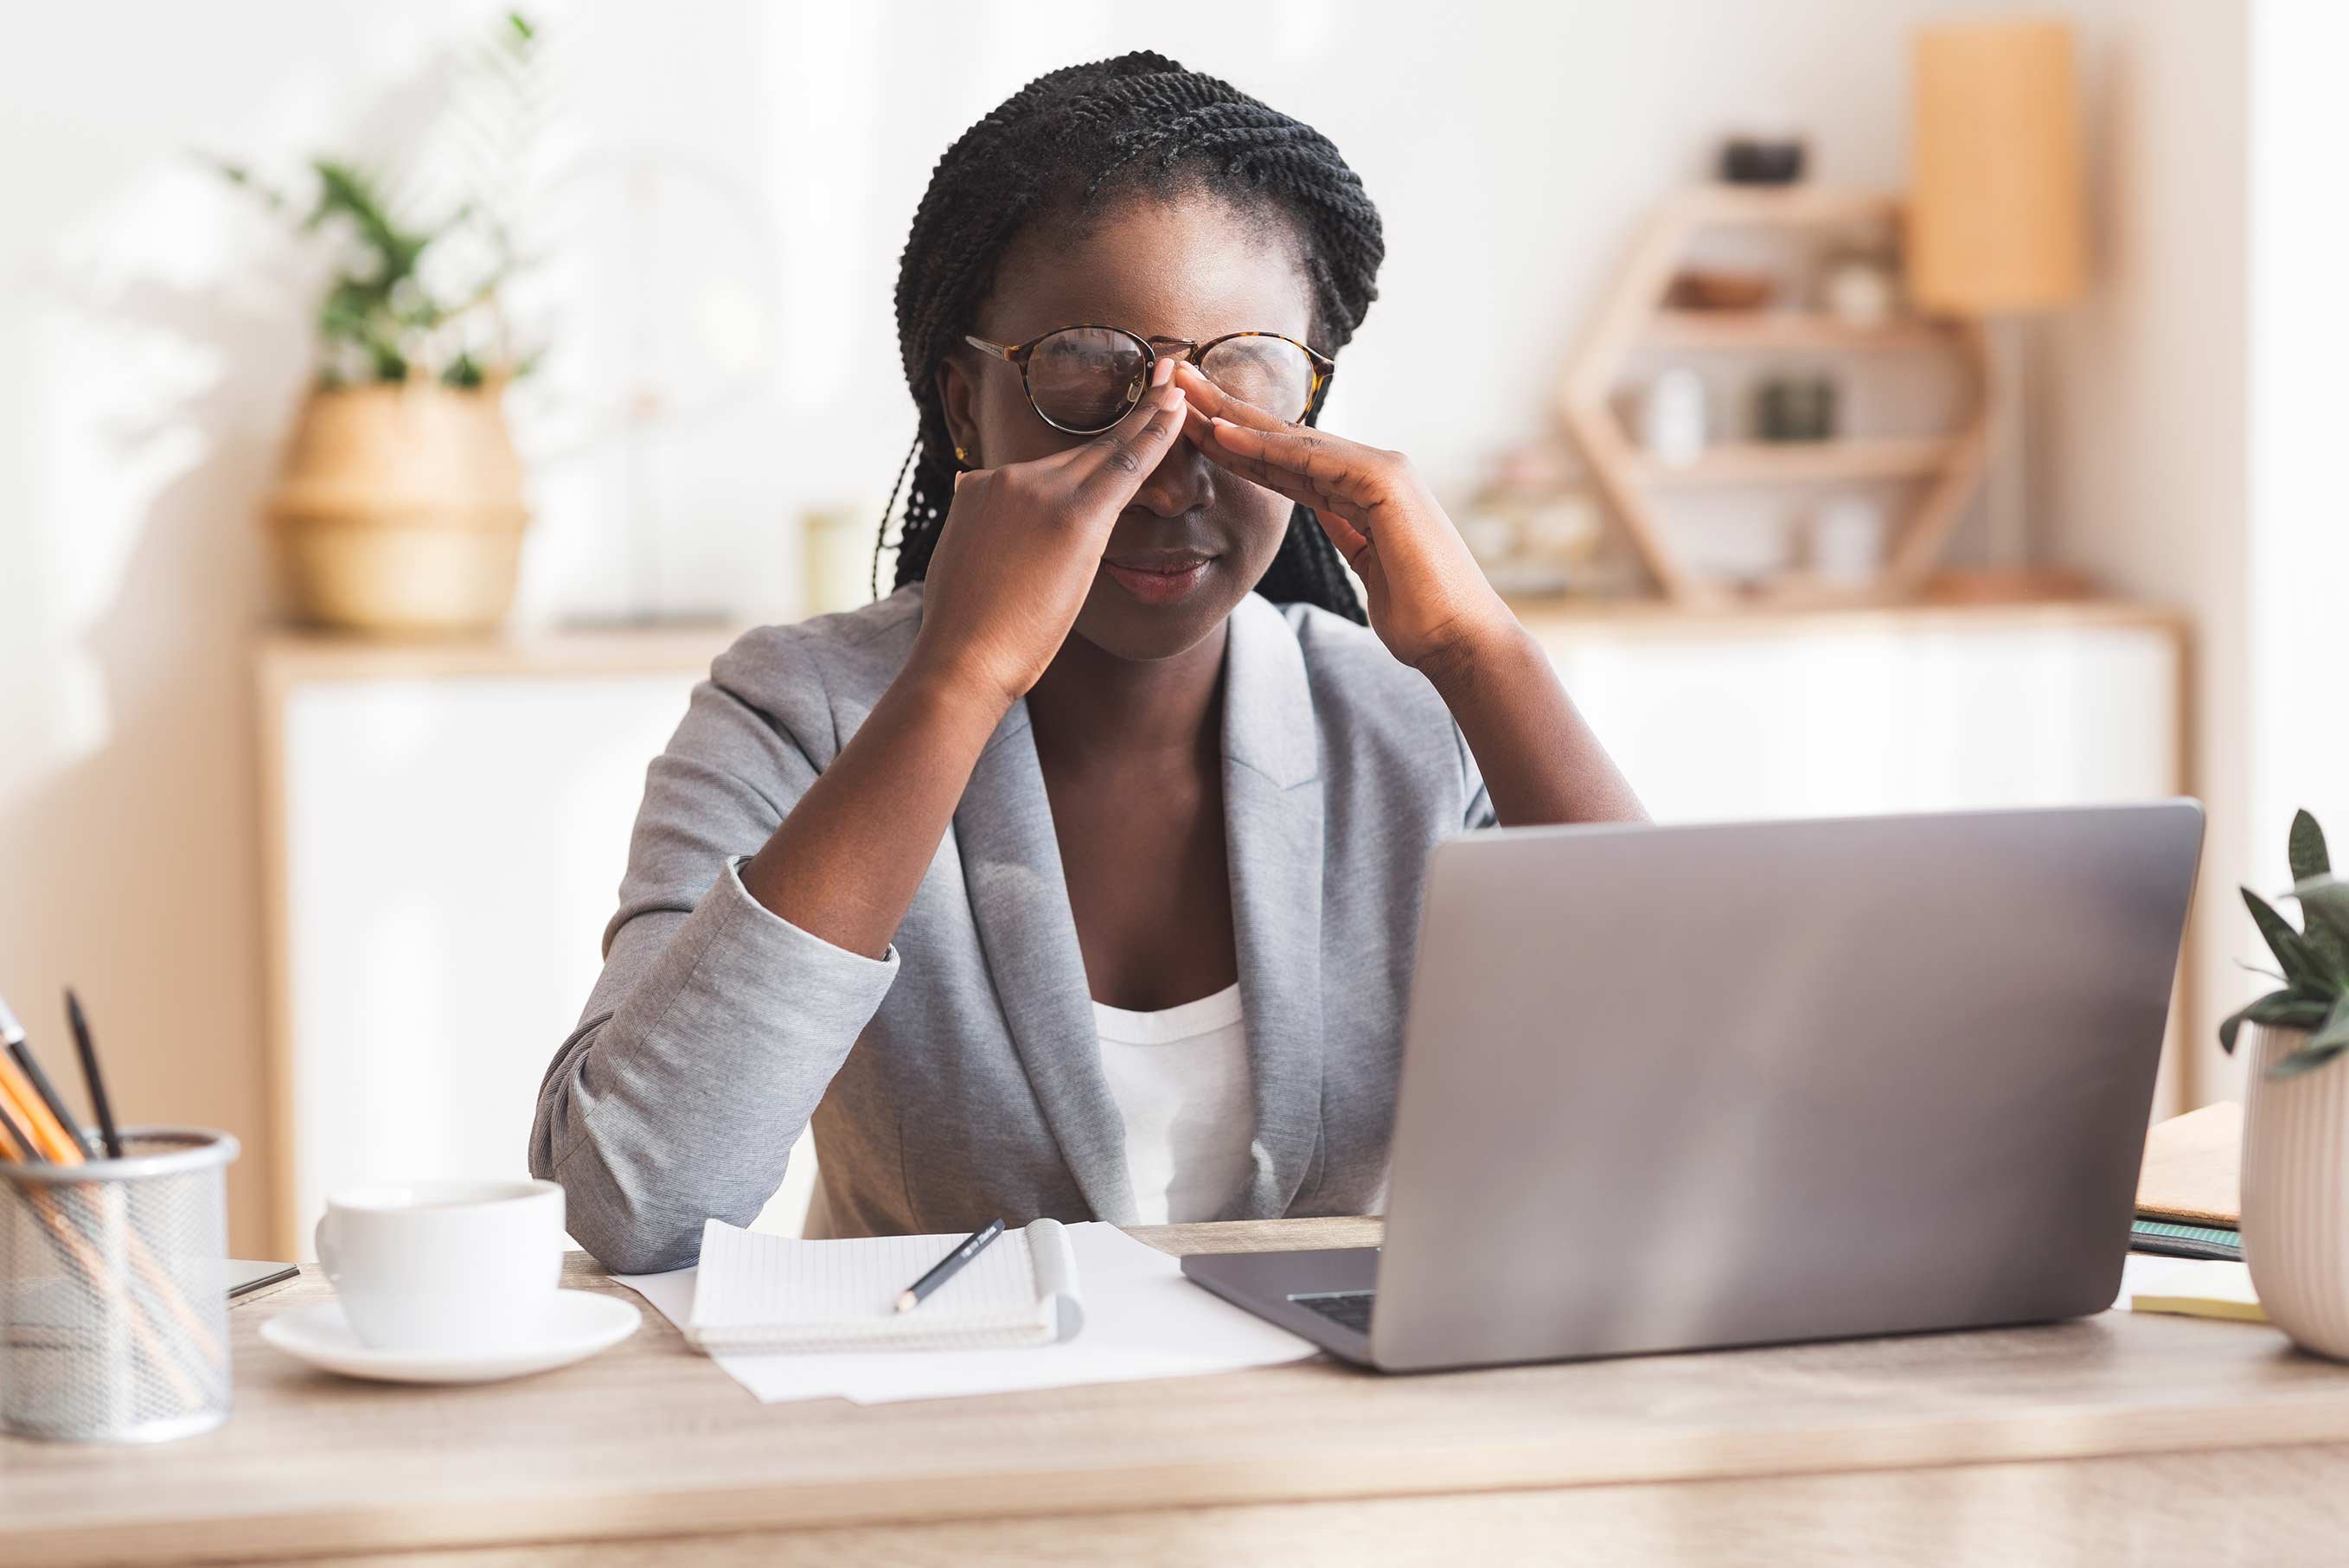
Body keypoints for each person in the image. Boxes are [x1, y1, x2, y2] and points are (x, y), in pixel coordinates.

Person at [530, 52, 1642, 1271]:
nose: (1171, 474)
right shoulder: (796, 711)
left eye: (1244, 382)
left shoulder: (1407, 723)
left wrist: (1482, 654)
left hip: (1322, 1443)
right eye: (1089, 377)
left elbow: (1685, 1104)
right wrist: (955, 684)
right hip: (928, 1438)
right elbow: (631, 1203)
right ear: (965, 407)